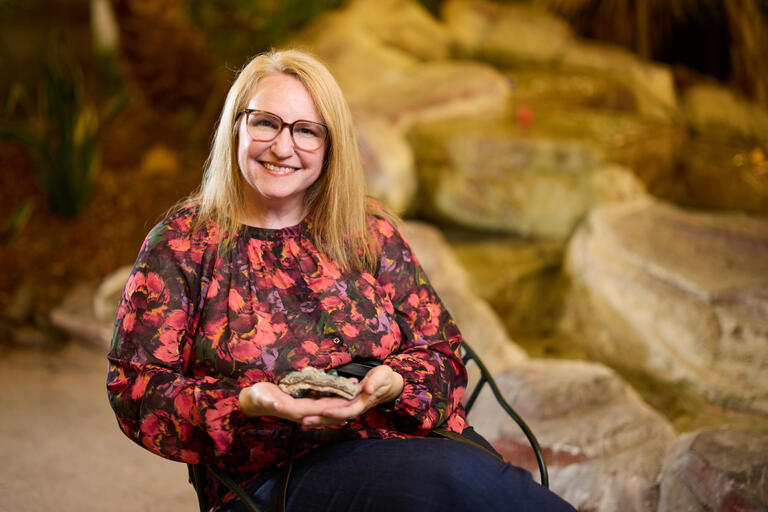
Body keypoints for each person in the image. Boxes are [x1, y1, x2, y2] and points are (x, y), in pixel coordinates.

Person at [106, 49, 575, 512]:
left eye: (306, 131)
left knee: (484, 487)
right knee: (453, 485)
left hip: (418, 446)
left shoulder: (365, 230)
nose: (282, 147)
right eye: (265, 122)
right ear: (236, 126)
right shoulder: (184, 243)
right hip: (275, 477)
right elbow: (135, 391)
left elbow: (446, 359)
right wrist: (245, 403)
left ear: (331, 146)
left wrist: (395, 382)